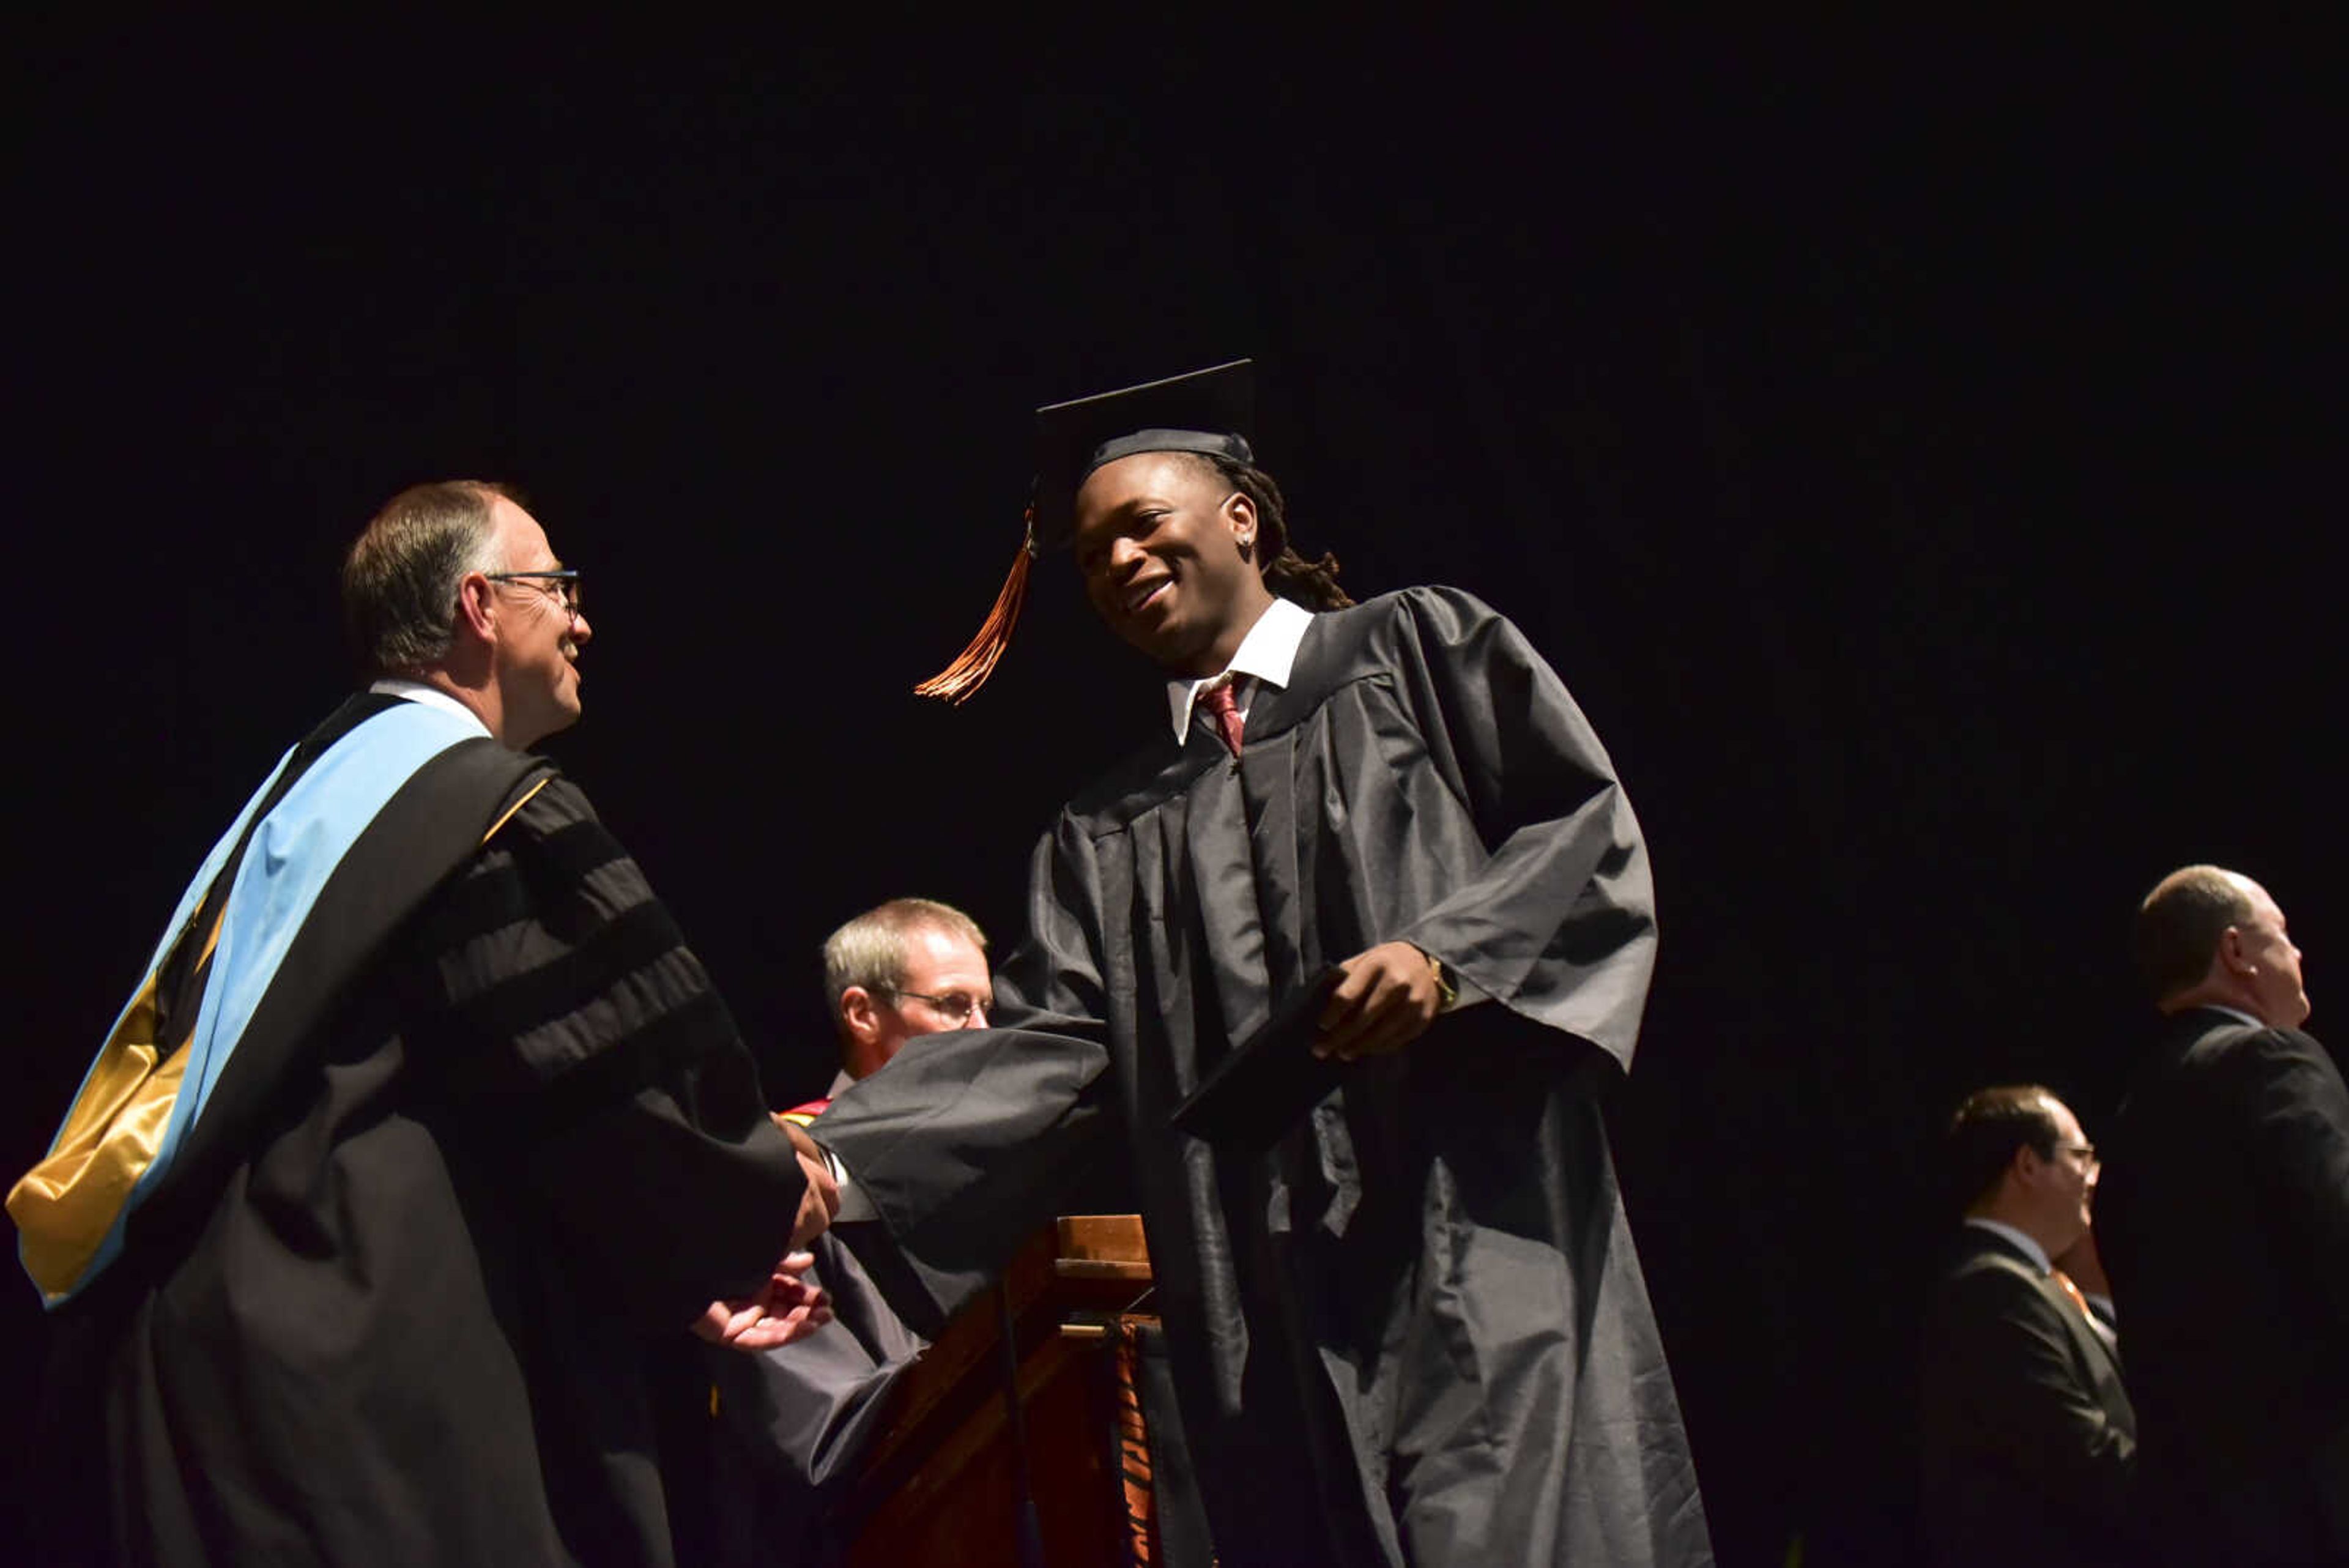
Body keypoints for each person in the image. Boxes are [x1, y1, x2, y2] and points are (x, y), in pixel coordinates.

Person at [811, 362, 1713, 1567]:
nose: (1119, 563)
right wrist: (838, 1154)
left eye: (1143, 525)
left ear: (1241, 513)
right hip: (1263, 1297)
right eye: (1090, 555)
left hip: (1472, 1235)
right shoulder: (1108, 828)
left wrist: (1444, 961)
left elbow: (1583, 832)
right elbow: (1055, 1050)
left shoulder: (1420, 652)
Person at [9, 480, 835, 1568]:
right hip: (354, 1390)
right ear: (481, 605)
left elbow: (477, 1097)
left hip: (202, 1374)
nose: (583, 617)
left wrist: (685, 1278)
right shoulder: (472, 805)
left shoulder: (303, 800)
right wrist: (767, 1184)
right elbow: (604, 1086)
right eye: (559, 586)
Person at [700, 899, 990, 1566]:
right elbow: (821, 1434)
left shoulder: (981, 1178)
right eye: (953, 1005)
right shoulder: (791, 1179)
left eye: (987, 1008)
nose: (984, 1034)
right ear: (862, 1013)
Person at [2096, 864, 2349, 1566]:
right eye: (2284, 935)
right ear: (2236, 952)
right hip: (2316, 1498)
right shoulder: (2273, 1059)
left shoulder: (2130, 1117)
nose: (2298, 956)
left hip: (2192, 1517)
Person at [1918, 1085, 2136, 1567]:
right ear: (2028, 1165)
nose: (2093, 1177)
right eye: (2081, 1154)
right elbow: (2076, 1456)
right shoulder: (1992, 1287)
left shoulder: (2031, 1282)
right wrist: (2203, 1488)